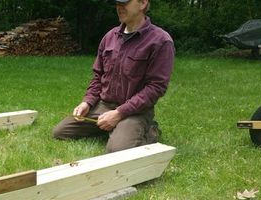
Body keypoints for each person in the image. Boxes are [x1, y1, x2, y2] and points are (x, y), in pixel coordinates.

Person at [52, 0, 175, 153]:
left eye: (125, 2)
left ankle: (150, 131)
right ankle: (113, 128)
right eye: (117, 3)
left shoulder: (160, 41)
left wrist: (119, 113)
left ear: (143, 3)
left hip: (135, 111)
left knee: (116, 150)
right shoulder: (110, 37)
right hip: (104, 106)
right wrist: (87, 103)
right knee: (60, 132)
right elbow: (98, 76)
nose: (119, 7)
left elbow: (156, 88)